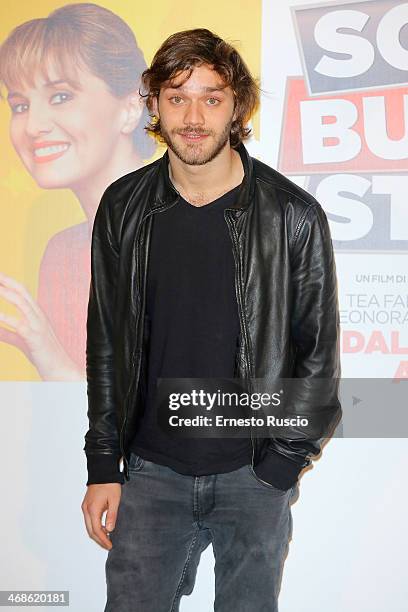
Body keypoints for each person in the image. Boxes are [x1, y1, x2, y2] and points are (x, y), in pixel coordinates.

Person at [81, 28, 342, 612]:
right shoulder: (123, 209)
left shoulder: (293, 216)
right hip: (150, 472)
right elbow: (105, 343)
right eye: (177, 97)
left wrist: (280, 464)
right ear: (152, 104)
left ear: (237, 106)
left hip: (252, 473)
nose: (193, 116)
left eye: (212, 97)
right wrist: (104, 464)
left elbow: (318, 357)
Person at [0, 3, 155, 379]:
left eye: (60, 97)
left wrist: (52, 361)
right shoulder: (62, 254)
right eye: (19, 105)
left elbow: (200, 415)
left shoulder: (200, 230)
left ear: (130, 108)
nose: (33, 125)